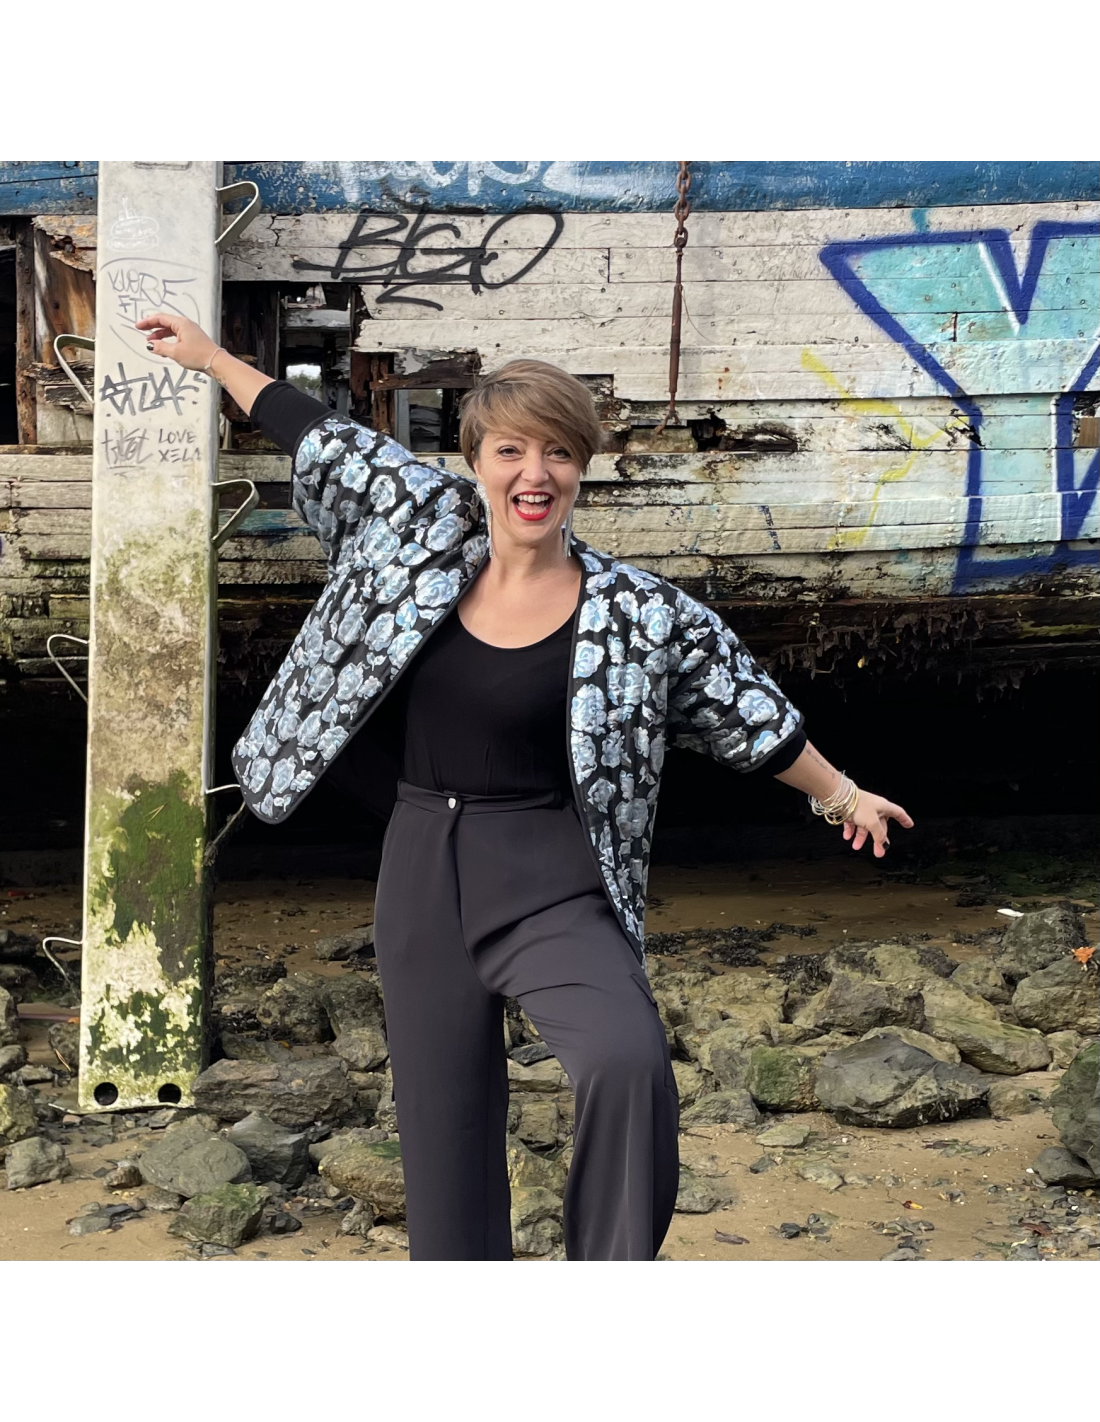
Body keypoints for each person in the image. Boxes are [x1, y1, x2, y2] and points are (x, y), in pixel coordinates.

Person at [137, 311, 914, 1261]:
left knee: (626, 1061)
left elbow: (746, 712)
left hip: (548, 873)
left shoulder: (637, 612)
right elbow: (324, 437)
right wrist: (213, 358)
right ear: (476, 461)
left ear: (582, 468)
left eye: (558, 452)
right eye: (510, 450)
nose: (533, 473)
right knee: (443, 1138)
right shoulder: (420, 532)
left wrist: (842, 795)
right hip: (421, 870)